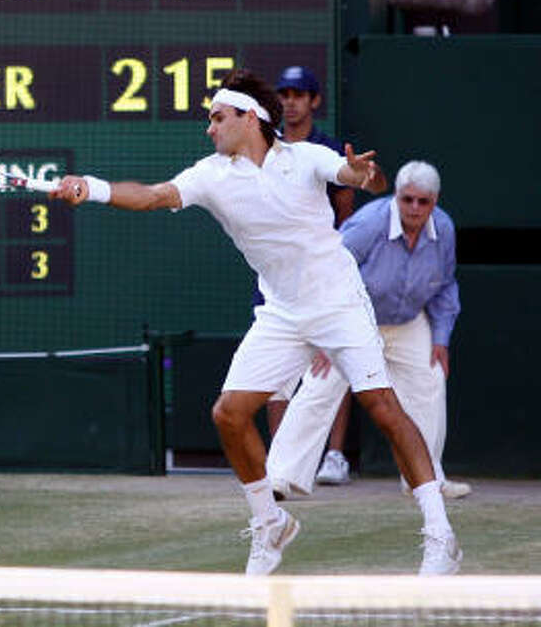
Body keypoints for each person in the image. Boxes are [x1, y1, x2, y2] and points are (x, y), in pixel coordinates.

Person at [49, 70, 461, 576]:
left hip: (338, 301)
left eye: (217, 118)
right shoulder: (211, 175)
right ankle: (271, 523)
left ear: (250, 117)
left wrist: (362, 174)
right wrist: (89, 188)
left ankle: (440, 534)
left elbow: (360, 178)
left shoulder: (305, 157)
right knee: (229, 414)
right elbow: (155, 195)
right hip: (282, 312)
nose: (209, 128)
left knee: (381, 406)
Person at [267, 160, 471, 499]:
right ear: (396, 196)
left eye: (423, 201)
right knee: (321, 385)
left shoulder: (444, 229)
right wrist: (324, 332)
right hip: (352, 320)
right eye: (407, 200)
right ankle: (280, 477)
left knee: (430, 380)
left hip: (407, 321)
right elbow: (327, 271)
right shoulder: (369, 223)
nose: (414, 208)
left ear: (434, 202)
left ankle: (425, 479)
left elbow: (445, 285)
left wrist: (441, 339)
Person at [262, 67, 355, 460]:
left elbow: (345, 217)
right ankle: (280, 457)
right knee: (274, 370)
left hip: (322, 276)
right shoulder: (265, 149)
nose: (289, 101)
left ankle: (334, 456)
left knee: (334, 363)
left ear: (314, 101)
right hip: (276, 275)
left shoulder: (330, 151)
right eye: (283, 94)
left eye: (298, 94)